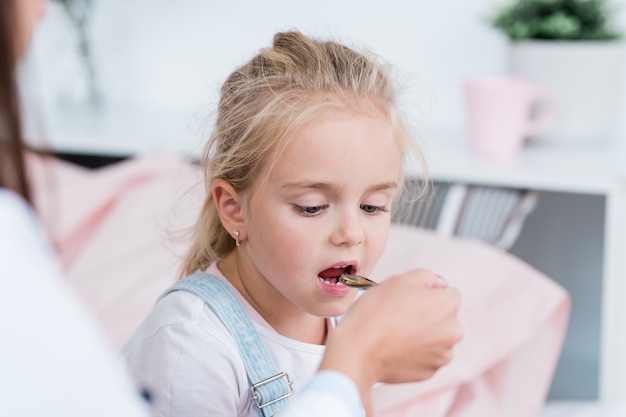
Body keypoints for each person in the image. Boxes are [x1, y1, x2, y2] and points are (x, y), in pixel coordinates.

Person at [121, 30, 462, 417]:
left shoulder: (346, 319)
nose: (351, 234)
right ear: (234, 209)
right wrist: (359, 360)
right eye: (312, 207)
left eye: (372, 206)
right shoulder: (189, 346)